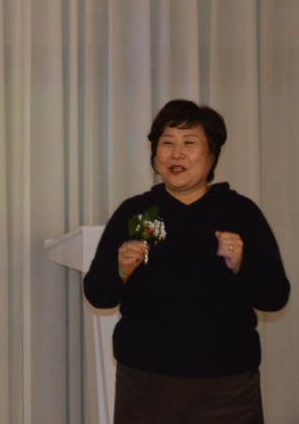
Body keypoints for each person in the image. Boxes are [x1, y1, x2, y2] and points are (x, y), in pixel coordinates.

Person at [83, 99, 290, 423]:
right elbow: (97, 293)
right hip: (146, 385)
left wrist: (241, 266)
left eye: (189, 143)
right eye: (167, 143)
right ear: (155, 155)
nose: (176, 154)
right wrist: (120, 271)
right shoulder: (137, 212)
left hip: (228, 388)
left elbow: (276, 296)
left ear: (212, 155)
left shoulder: (240, 213)